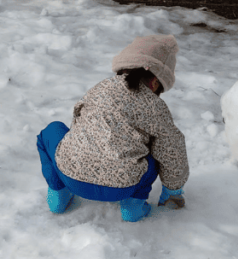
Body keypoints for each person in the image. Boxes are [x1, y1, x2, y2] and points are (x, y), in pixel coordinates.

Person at [36, 35, 189, 222]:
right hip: (124, 186)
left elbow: (78, 119)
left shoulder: (101, 87)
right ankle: (133, 207)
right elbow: (173, 150)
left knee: (52, 130)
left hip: (71, 175)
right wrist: (172, 190)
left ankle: (58, 194)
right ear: (156, 82)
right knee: (158, 150)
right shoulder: (156, 107)